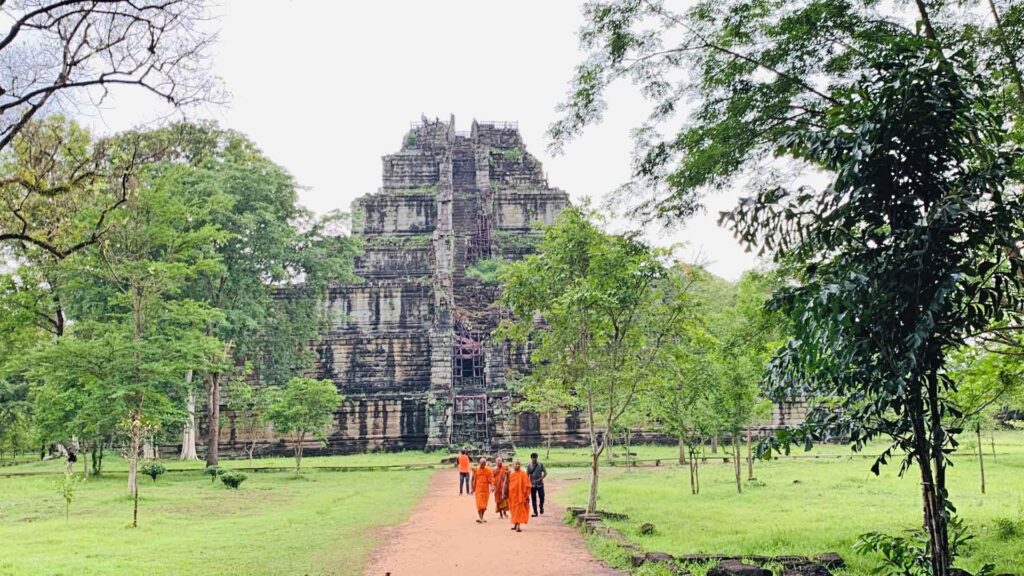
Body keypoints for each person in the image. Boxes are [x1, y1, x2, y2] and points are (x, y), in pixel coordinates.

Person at [507, 459, 532, 532]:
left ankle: (518, 526)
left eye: (519, 464)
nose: (517, 465)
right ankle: (515, 524)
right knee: (513, 510)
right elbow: (508, 484)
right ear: (513, 465)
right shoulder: (511, 474)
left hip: (521, 496)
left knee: (519, 510)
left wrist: (527, 495)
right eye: (516, 464)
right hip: (512, 496)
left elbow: (528, 485)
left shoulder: (523, 474)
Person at [471, 457, 493, 523]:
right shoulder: (476, 470)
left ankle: (482, 517)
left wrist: (492, 486)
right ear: (479, 463)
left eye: (484, 463)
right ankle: (480, 517)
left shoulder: (488, 470)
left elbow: (491, 479)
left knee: (484, 505)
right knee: (479, 504)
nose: (483, 465)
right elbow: (472, 479)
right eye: (482, 463)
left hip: (486, 490)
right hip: (478, 490)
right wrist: (472, 488)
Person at [527, 452, 547, 516]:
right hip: (532, 485)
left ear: (537, 458)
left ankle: (541, 506)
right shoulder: (529, 465)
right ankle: (535, 512)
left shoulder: (540, 464)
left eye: (535, 458)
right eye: (533, 458)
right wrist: (528, 482)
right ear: (531, 458)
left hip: (540, 484)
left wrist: (541, 478)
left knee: (542, 497)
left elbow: (545, 473)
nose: (534, 459)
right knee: (533, 498)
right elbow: (527, 475)